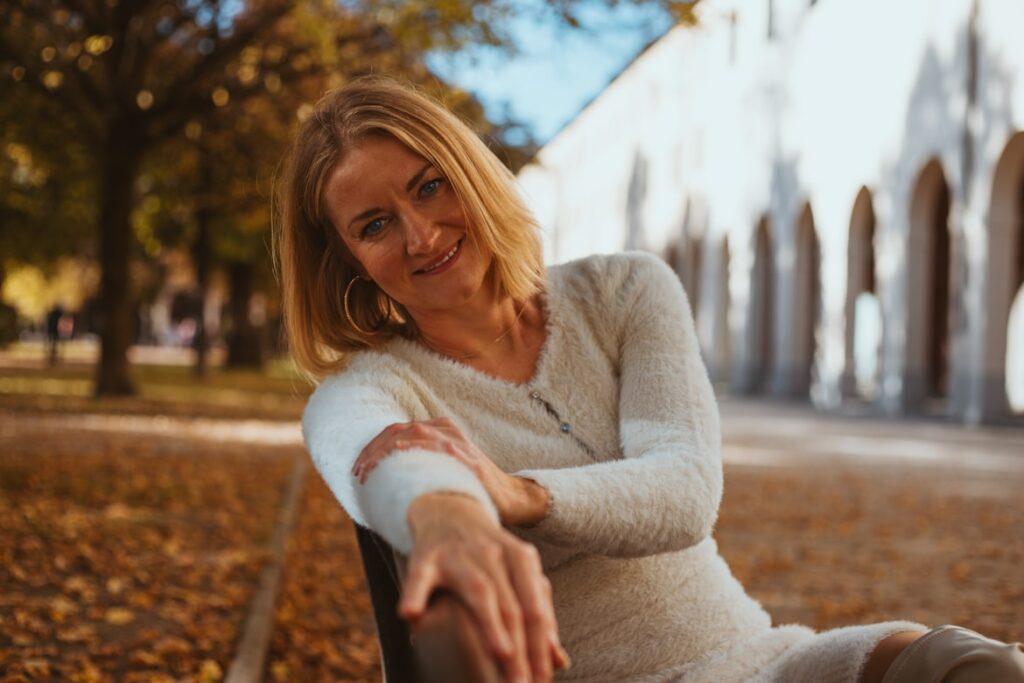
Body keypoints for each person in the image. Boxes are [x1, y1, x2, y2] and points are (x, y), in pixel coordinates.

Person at [276, 78, 1024, 683]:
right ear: (346, 260)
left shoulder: (624, 290)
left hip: (768, 660)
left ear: (471, 174)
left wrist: (515, 493)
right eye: (374, 224)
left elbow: (684, 490)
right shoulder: (361, 389)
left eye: (430, 185)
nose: (420, 233)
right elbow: (383, 465)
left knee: (970, 666)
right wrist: (445, 514)